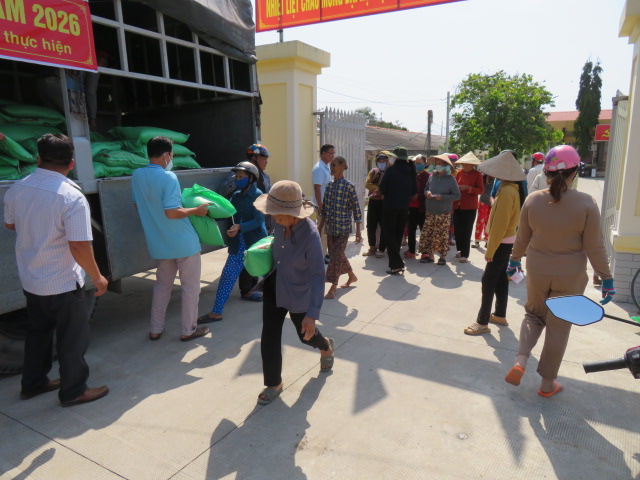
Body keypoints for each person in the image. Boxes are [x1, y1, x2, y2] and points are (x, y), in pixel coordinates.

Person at [4, 134, 109, 407]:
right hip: (62, 283)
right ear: (71, 163)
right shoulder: (71, 197)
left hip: (32, 280)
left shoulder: (16, 189)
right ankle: (74, 391)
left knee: (37, 334)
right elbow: (78, 245)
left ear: (38, 158)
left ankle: (33, 384)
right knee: (72, 339)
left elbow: (11, 225)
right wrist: (97, 276)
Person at [504, 145, 614, 397]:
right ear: (575, 172)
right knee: (558, 327)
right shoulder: (586, 203)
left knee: (533, 316)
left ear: (546, 171)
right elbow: (594, 246)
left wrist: (514, 261)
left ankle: (521, 360)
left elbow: (522, 237)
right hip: (570, 276)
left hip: (537, 270)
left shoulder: (533, 200)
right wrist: (606, 278)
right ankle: (546, 385)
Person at [253, 180, 335, 405]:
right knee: (269, 335)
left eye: (278, 214)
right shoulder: (279, 223)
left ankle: (326, 346)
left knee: (306, 336)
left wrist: (312, 314)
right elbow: (277, 250)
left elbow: (318, 276)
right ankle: (273, 383)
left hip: (299, 293)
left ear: (293, 213)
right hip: (275, 285)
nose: (273, 218)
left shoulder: (310, 236)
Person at [131, 136, 210, 342]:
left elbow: (138, 206)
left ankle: (155, 329)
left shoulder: (137, 175)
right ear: (166, 155)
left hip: (159, 244)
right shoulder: (169, 177)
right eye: (172, 155)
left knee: (162, 287)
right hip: (183, 243)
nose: (172, 159)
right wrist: (196, 210)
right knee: (190, 288)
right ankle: (188, 330)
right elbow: (172, 212)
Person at [464, 151, 525, 336]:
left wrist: (490, 249)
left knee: (488, 280)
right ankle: (499, 314)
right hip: (506, 240)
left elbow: (500, 224)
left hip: (501, 241)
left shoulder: (507, 191)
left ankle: (482, 322)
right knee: (499, 279)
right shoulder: (510, 188)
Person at [198, 162, 268, 322]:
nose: (237, 179)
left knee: (270, 275)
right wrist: (208, 214)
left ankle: (293, 301)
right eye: (236, 176)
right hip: (238, 244)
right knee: (227, 276)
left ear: (251, 178)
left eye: (241, 176)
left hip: (256, 245)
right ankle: (216, 312)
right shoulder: (236, 196)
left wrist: (240, 227)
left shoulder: (258, 195)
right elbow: (227, 213)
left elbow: (258, 220)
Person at [318, 156, 362, 299]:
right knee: (338, 255)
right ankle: (351, 276)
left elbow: (356, 208)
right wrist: (320, 227)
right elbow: (324, 209)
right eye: (331, 165)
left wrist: (358, 231)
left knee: (336, 258)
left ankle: (333, 287)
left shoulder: (349, 186)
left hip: (343, 230)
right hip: (330, 229)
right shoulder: (329, 186)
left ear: (342, 166)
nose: (332, 168)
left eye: (334, 165)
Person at [379, 146, 417, 275]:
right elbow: (414, 192)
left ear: (395, 158)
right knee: (398, 235)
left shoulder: (391, 170)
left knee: (389, 235)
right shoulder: (411, 171)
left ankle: (396, 264)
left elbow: (382, 189)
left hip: (390, 207)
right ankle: (396, 264)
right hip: (404, 207)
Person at [418, 154, 460, 265]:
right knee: (429, 233)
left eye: (440, 164)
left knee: (442, 235)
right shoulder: (432, 176)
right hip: (430, 210)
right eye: (436, 163)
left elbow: (457, 195)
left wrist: (443, 197)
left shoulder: (451, 179)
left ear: (446, 165)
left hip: (443, 212)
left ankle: (442, 256)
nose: (437, 165)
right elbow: (426, 190)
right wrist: (427, 193)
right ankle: (430, 255)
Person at [452, 152, 484, 263]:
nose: (465, 166)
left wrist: (469, 188)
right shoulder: (458, 173)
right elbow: (453, 186)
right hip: (457, 205)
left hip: (469, 206)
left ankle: (465, 254)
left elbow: (481, 190)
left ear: (472, 165)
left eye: (467, 164)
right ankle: (460, 250)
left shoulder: (477, 174)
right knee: (457, 230)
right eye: (463, 164)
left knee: (466, 230)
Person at [363, 151, 389, 258]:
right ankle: (372, 247)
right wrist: (379, 189)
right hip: (373, 201)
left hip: (385, 202)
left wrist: (382, 191)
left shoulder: (389, 172)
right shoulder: (373, 171)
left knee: (384, 226)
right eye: (380, 161)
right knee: (371, 225)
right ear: (377, 162)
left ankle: (382, 249)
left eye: (384, 161)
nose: (382, 163)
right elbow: (367, 184)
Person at [312, 144, 335, 262]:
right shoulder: (319, 168)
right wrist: (320, 205)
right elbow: (317, 187)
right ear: (323, 153)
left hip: (326, 205)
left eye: (333, 153)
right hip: (321, 206)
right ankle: (320, 257)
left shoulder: (326, 167)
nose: (332, 156)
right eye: (331, 153)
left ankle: (324, 254)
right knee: (322, 232)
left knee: (326, 232)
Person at [405, 154, 429, 258]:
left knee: (424, 230)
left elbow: (429, 192)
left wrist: (418, 195)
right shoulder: (412, 176)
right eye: (416, 163)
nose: (417, 165)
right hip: (411, 207)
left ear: (425, 163)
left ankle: (425, 252)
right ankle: (411, 251)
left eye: (419, 163)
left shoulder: (428, 177)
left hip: (423, 208)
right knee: (411, 230)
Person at [473, 174, 494, 248]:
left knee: (489, 222)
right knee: (480, 221)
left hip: (492, 202)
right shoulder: (484, 177)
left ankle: (487, 241)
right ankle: (477, 240)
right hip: (483, 201)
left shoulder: (498, 179)